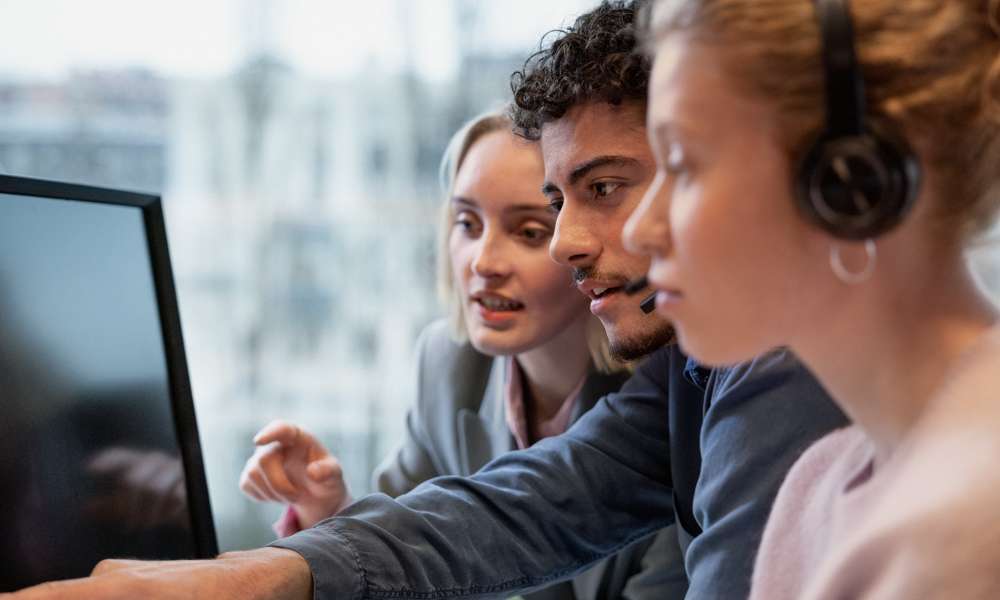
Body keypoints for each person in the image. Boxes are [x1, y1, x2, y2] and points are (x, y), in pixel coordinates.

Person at [0, 2, 846, 599]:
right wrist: (251, 573)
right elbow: (533, 502)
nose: (565, 242)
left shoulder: (788, 366)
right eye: (559, 201)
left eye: (604, 188)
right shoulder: (699, 359)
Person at [625, 0, 1000, 598]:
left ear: (851, 183)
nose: (637, 230)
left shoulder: (964, 532)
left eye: (682, 164)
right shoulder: (819, 481)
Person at [237, 110, 686, 599]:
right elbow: (401, 553)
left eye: (530, 232)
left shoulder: (669, 397)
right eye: (467, 223)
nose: (484, 262)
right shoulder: (448, 363)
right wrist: (330, 510)